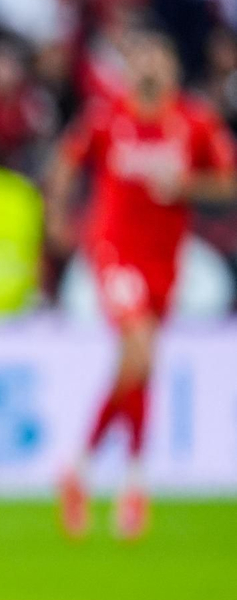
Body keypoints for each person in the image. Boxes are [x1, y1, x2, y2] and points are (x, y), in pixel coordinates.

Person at [46, 29, 235, 539]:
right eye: (142, 60)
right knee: (140, 349)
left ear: (172, 69)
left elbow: (229, 180)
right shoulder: (109, 118)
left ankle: (82, 472)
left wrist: (187, 186)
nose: (150, 70)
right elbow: (66, 161)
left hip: (164, 260)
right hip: (113, 250)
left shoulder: (194, 122)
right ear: (131, 70)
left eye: (159, 60)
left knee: (140, 365)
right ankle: (132, 483)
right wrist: (59, 217)